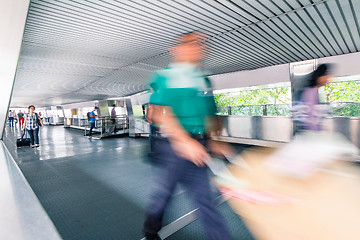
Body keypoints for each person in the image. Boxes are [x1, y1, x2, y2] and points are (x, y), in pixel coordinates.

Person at [143, 32, 232, 240]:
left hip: (198, 144)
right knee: (163, 195)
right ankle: (150, 231)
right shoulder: (165, 76)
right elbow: (157, 112)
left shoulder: (204, 80)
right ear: (177, 48)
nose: (199, 46)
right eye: (192, 42)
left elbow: (210, 114)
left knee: (204, 198)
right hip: (171, 146)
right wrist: (182, 140)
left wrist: (214, 140)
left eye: (201, 43)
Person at [299, 64, 333, 132]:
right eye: (326, 76)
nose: (328, 79)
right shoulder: (311, 92)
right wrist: (315, 133)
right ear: (319, 77)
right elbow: (310, 117)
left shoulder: (315, 91)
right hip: (310, 132)